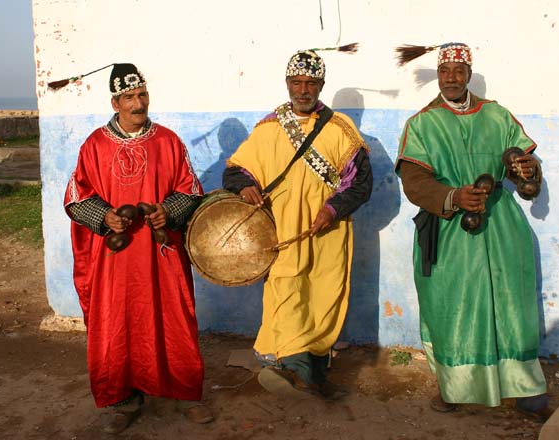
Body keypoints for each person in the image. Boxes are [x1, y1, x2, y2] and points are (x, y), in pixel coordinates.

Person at [394, 43, 550, 418]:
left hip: (501, 226)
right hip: (449, 230)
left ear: (468, 73)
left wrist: (526, 170)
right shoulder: (422, 123)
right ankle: (457, 385)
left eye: (458, 71)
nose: (451, 78)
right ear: (438, 74)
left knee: (513, 306)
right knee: (454, 307)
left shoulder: (497, 116)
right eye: (445, 72)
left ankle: (526, 387)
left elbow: (523, 167)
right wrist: (453, 196)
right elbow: (414, 181)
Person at [63, 63, 212, 434]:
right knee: (117, 324)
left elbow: (190, 189)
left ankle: (184, 393)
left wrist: (170, 210)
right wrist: (105, 217)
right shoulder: (94, 146)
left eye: (142, 95)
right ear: (115, 102)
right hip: (116, 259)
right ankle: (122, 398)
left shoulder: (168, 141)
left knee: (174, 318)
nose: (138, 103)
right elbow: (75, 196)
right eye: (129, 97)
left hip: (160, 256)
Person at [222, 49, 372, 399]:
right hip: (284, 232)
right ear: (287, 83)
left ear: (321, 85)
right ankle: (295, 369)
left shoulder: (342, 130)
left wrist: (333, 209)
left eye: (311, 83)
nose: (303, 90)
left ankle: (314, 366)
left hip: (327, 233)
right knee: (288, 291)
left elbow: (360, 183)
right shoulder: (269, 128)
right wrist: (245, 186)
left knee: (323, 296)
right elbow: (235, 170)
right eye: (296, 82)